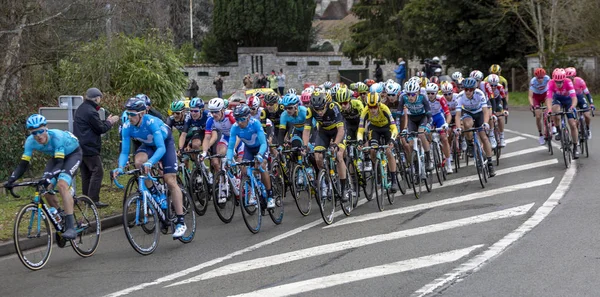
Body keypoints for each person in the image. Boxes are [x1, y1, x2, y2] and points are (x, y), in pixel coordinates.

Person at [113, 97, 187, 238]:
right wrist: (120, 167)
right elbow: (124, 151)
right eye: (128, 114)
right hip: (148, 145)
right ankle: (155, 192)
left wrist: (151, 162)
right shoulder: (127, 127)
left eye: (132, 114)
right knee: (138, 162)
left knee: (170, 180)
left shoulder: (151, 122)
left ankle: (181, 221)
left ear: (141, 114)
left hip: (164, 144)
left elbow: (161, 148)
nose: (129, 117)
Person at [5, 114, 82, 239]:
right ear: (30, 133)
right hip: (56, 157)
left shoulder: (56, 137)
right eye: (34, 133)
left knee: (62, 185)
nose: (38, 135)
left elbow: (60, 164)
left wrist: (49, 178)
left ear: (46, 128)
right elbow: (23, 164)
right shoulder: (30, 141)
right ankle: (60, 217)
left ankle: (71, 227)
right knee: (44, 188)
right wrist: (12, 179)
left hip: (72, 155)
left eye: (41, 131)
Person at [73, 87, 119, 208]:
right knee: (97, 172)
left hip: (80, 146)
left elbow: (95, 125)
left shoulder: (81, 109)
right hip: (89, 146)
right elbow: (100, 128)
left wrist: (105, 121)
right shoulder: (91, 111)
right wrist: (111, 122)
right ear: (97, 98)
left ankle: (86, 198)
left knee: (86, 173)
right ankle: (93, 200)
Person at [227, 105, 274, 207]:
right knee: (244, 170)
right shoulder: (235, 127)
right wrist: (229, 159)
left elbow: (263, 143)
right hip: (249, 148)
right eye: (237, 119)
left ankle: (270, 195)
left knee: (261, 166)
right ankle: (254, 191)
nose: (239, 122)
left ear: (248, 117)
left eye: (242, 119)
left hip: (261, 147)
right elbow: (230, 147)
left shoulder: (255, 123)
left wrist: (261, 155)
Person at [454, 77, 496, 176]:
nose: (468, 92)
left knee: (484, 137)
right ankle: (469, 143)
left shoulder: (479, 94)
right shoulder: (460, 97)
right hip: (468, 113)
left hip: (479, 113)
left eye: (470, 90)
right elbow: (458, 115)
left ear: (474, 89)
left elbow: (485, 111)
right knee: (467, 124)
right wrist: (458, 128)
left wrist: (485, 123)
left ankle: (490, 163)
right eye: (466, 89)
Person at [547, 68, 579, 159]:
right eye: (557, 82)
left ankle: (575, 147)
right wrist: (549, 109)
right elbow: (549, 98)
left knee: (573, 124)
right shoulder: (550, 83)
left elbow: (574, 97)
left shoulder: (568, 82)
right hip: (558, 100)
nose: (559, 84)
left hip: (568, 100)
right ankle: (558, 130)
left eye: (561, 81)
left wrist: (573, 106)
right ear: (554, 80)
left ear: (564, 79)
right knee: (555, 111)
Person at [529, 68, 551, 145]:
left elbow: (551, 90)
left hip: (545, 95)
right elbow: (530, 96)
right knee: (538, 116)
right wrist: (532, 105)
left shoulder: (547, 79)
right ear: (536, 77)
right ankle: (541, 134)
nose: (541, 79)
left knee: (549, 109)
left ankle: (552, 123)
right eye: (539, 78)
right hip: (536, 97)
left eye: (542, 77)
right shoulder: (533, 81)